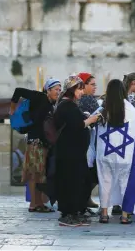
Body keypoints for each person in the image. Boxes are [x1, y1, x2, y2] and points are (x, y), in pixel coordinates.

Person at [88, 79, 135, 224]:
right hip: (125, 154)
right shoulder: (130, 108)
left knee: (105, 181)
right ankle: (124, 215)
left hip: (105, 153)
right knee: (124, 182)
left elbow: (94, 126)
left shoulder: (103, 108)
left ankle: (104, 214)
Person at [54, 75, 100, 227]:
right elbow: (78, 125)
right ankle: (68, 215)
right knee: (69, 183)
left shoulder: (68, 105)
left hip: (73, 153)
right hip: (69, 153)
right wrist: (91, 120)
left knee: (75, 182)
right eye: (79, 89)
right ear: (72, 90)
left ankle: (74, 213)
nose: (81, 92)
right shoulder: (67, 106)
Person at [10, 78, 61, 212]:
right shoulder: (39, 97)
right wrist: (12, 108)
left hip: (42, 143)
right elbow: (18, 91)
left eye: (60, 89)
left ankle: (39, 203)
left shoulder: (51, 104)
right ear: (48, 90)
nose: (58, 92)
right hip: (34, 142)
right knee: (34, 174)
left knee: (39, 175)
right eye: (56, 89)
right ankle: (33, 204)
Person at [77, 72, 99, 210]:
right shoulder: (87, 100)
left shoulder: (82, 99)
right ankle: (83, 199)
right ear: (83, 86)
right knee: (91, 172)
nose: (95, 87)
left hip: (84, 139)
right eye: (92, 84)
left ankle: (86, 198)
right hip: (87, 140)